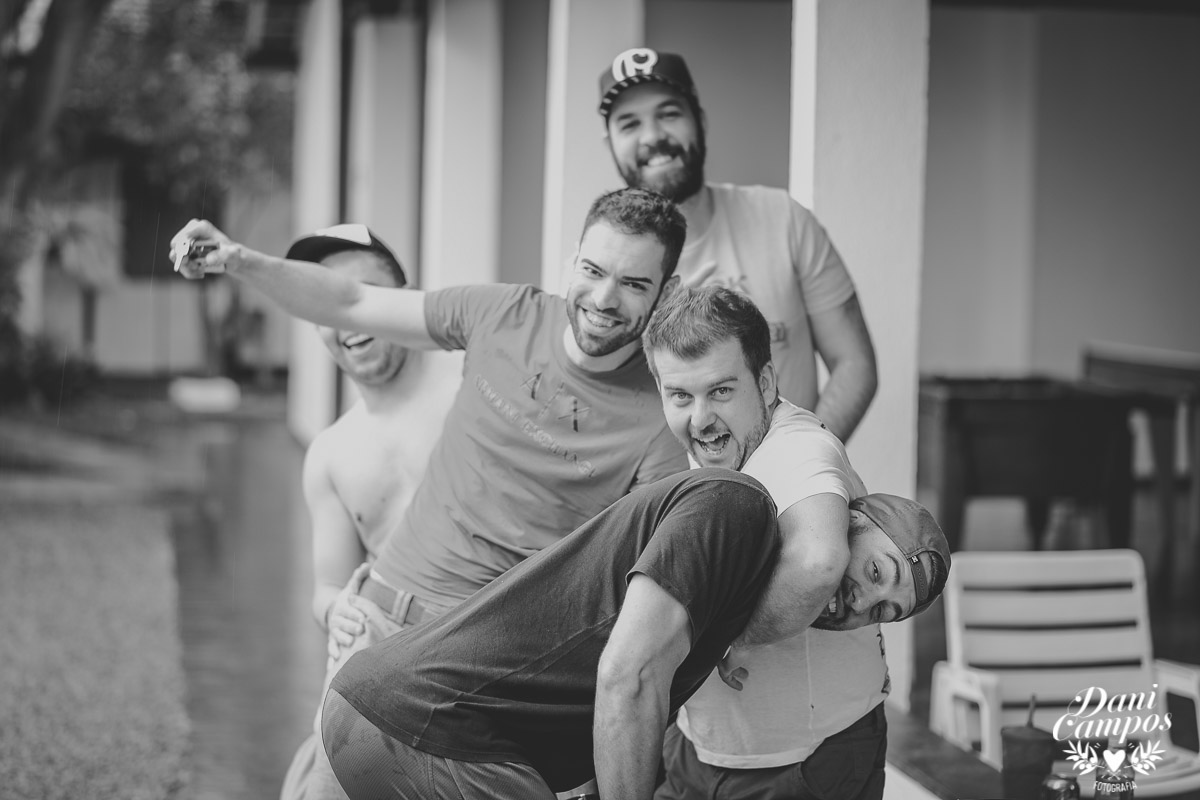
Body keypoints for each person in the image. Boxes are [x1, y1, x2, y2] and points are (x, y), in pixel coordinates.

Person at [171, 188, 689, 799]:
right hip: (379, 627)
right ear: (572, 259)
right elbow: (350, 301)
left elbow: (637, 587)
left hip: (489, 665)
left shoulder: (658, 418)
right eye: (593, 270)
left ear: (666, 291)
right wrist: (237, 260)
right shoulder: (502, 316)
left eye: (633, 283)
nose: (603, 299)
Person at [321, 467, 950, 800]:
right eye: (876, 572)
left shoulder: (724, 594)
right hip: (426, 725)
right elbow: (626, 679)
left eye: (883, 612)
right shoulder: (738, 509)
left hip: (391, 712)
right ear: (844, 522)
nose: (861, 602)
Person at [641, 285, 928, 800]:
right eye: (680, 396)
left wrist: (729, 639)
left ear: (766, 382)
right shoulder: (715, 446)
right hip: (699, 747)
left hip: (806, 761)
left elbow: (819, 562)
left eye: (721, 391)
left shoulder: (798, 447)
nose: (700, 417)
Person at [599, 47, 878, 442]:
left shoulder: (783, 219)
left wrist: (800, 460)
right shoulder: (600, 276)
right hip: (673, 482)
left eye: (669, 114)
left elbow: (854, 364)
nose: (653, 136)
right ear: (609, 143)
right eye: (629, 124)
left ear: (701, 121)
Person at [273, 225, 462, 800]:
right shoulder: (331, 452)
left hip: (488, 654)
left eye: (358, 294)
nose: (345, 318)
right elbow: (327, 588)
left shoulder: (471, 384)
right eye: (324, 304)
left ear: (404, 299)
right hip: (385, 676)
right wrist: (338, 611)